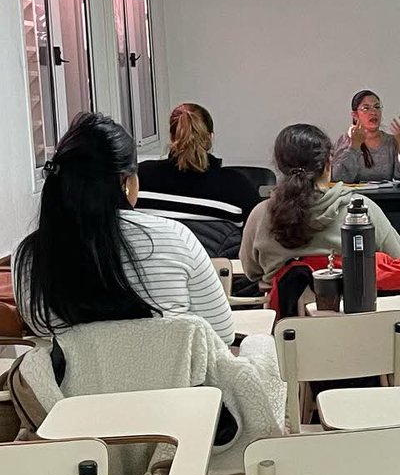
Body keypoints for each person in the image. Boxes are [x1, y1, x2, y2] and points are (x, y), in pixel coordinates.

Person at [14, 112, 235, 345]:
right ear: (126, 182)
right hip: (176, 381)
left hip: (76, 382)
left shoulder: (29, 256)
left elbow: (42, 334)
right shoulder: (174, 237)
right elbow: (223, 334)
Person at [240, 124, 400, 318]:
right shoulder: (362, 209)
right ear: (328, 164)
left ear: (280, 166)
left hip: (288, 339)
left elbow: (251, 272)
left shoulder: (260, 215)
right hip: (363, 335)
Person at [136, 103, 262, 257]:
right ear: (210, 138)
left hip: (147, 277)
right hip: (220, 278)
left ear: (171, 136)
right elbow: (257, 241)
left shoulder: (139, 177)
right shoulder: (237, 186)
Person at [330, 89, 400, 184]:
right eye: (366, 108)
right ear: (355, 115)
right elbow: (338, 178)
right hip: (355, 197)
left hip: (387, 197)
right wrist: (354, 146)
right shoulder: (345, 141)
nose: (373, 112)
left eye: (377, 107)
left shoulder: (391, 141)